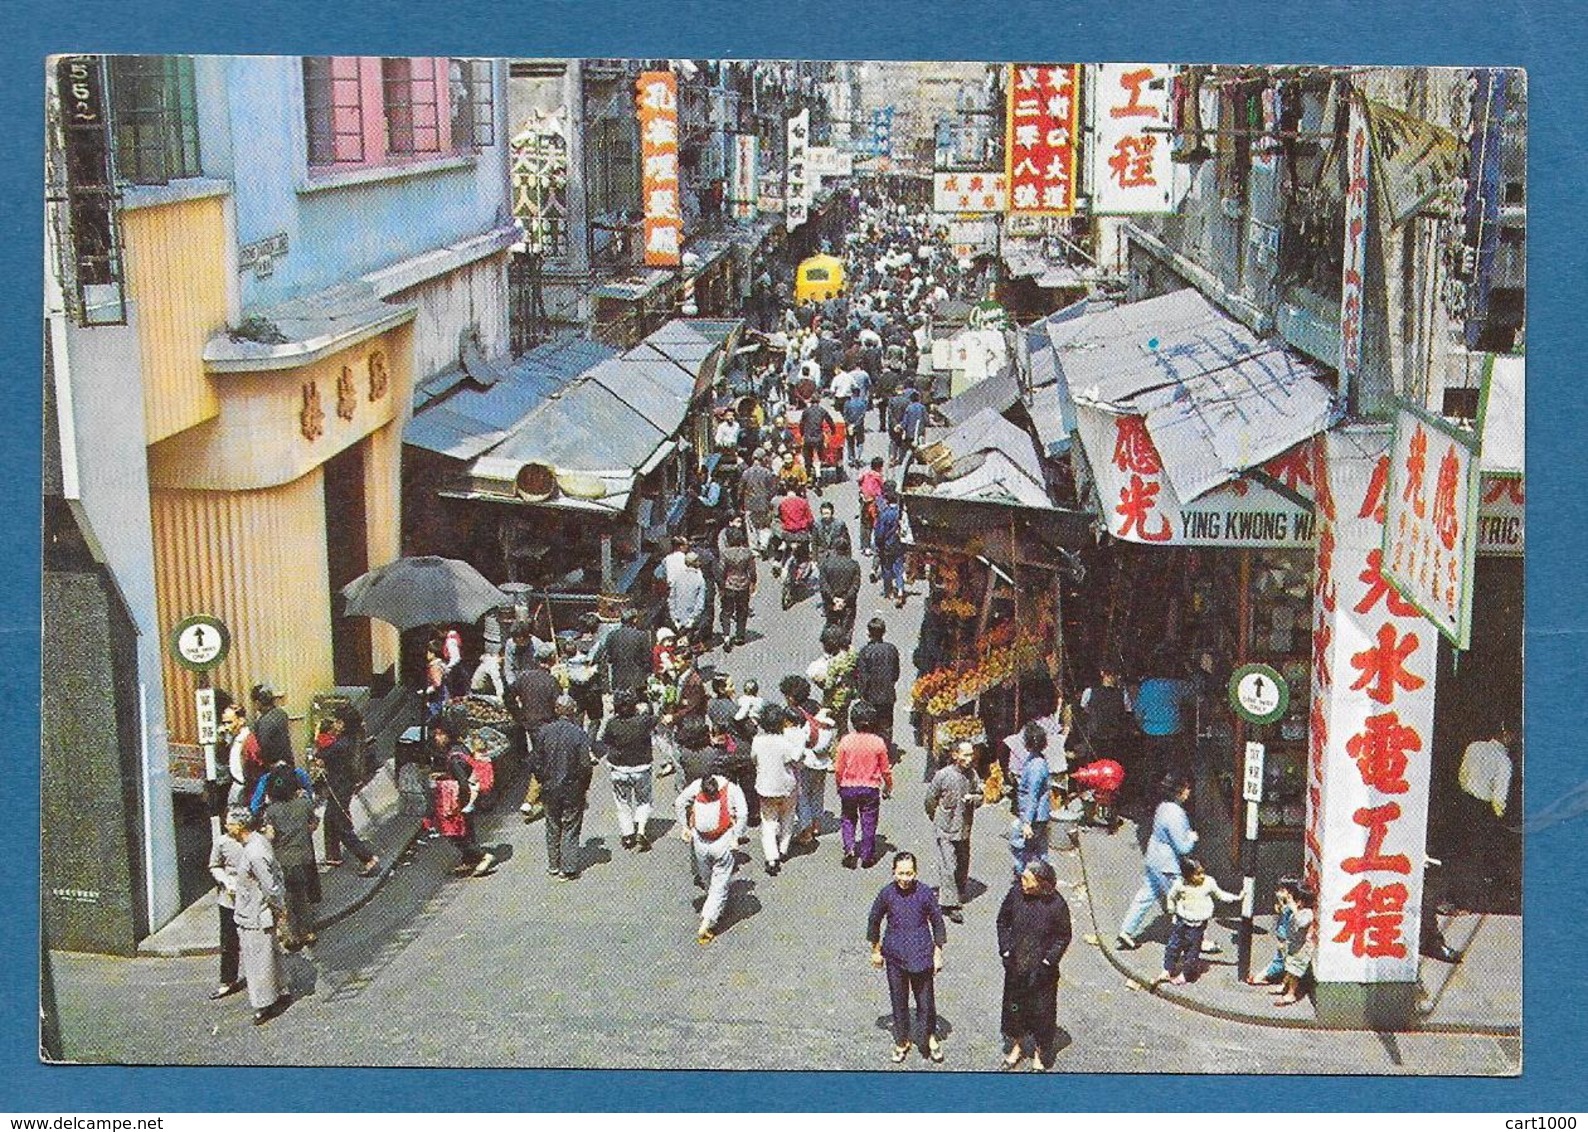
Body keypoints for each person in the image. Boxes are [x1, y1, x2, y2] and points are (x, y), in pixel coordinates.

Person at [866, 852, 947, 1063]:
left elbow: (938, 922)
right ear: (893, 872)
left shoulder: (925, 893)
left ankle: (929, 1037)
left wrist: (938, 953)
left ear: (916, 873)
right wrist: (875, 950)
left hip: (921, 955)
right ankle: (902, 1040)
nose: (904, 878)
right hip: (895, 956)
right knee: (898, 1001)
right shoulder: (886, 894)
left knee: (926, 1001)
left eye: (909, 873)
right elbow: (874, 920)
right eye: (900, 873)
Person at [995, 859, 1072, 1072]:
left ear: (1040, 882)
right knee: (1015, 1009)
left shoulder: (1057, 905)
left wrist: (1048, 961)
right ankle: (1018, 1047)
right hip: (1016, 967)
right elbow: (1003, 921)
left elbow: (1063, 937)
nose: (1022, 881)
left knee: (1042, 1013)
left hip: (1042, 973)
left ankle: (1040, 1052)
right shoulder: (1015, 895)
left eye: (1027, 878)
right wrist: (1006, 950)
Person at [1116, 775, 1197, 950]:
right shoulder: (1176, 813)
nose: (1189, 792)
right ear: (1179, 792)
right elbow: (1183, 847)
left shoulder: (1162, 808)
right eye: (1187, 788)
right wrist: (1192, 837)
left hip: (1153, 857)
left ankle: (1126, 930)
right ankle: (1194, 940)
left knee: (1146, 895)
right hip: (1168, 864)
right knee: (1183, 901)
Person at [676, 771, 750, 945]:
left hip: (700, 841)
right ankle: (709, 919)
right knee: (720, 882)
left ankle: (713, 905)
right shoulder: (732, 789)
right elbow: (743, 814)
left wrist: (685, 826)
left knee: (707, 877)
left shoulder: (697, 785)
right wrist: (736, 836)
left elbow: (680, 803)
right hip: (723, 841)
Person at [232, 807, 290, 1025]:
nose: (227, 827)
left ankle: (263, 1004)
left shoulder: (254, 852)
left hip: (255, 913)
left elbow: (270, 885)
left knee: (257, 961)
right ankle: (282, 990)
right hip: (258, 910)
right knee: (271, 953)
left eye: (230, 823)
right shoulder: (257, 842)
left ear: (240, 826)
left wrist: (279, 907)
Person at [533, 695, 594, 879]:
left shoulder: (544, 732)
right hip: (572, 787)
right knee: (571, 826)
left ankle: (553, 864)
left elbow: (536, 761)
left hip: (549, 787)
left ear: (556, 709)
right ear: (573, 710)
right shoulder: (579, 734)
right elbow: (585, 765)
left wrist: (542, 779)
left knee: (552, 825)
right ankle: (568, 867)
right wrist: (584, 786)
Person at [430, 715, 498, 878]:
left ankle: (483, 856)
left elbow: (463, 783)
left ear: (446, 734)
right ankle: (469, 860)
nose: (436, 739)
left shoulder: (454, 758)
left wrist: (457, 802)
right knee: (467, 831)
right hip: (470, 799)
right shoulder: (461, 748)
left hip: (462, 800)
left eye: (439, 735)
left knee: (455, 834)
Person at [316, 706, 379, 877]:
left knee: (341, 825)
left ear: (344, 724)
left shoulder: (341, 744)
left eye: (338, 722)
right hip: (344, 785)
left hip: (340, 787)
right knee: (330, 817)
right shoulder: (352, 738)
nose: (335, 725)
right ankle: (333, 855)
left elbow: (322, 754)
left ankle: (368, 858)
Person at [1156, 857, 1241, 985]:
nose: (1202, 876)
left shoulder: (1208, 882)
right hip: (1182, 922)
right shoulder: (1180, 885)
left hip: (1197, 926)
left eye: (1203, 872)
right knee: (1173, 946)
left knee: (1192, 951)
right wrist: (1172, 911)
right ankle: (1168, 969)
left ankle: (1185, 975)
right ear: (1188, 876)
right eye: (1198, 874)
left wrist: (1237, 897)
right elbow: (1171, 897)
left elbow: (1220, 894)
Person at [262, 768, 321, 949]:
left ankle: (292, 935)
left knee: (286, 898)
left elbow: (270, 836)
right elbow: (313, 824)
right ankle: (308, 931)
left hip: (282, 861)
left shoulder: (271, 811)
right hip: (303, 858)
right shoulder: (304, 805)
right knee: (301, 895)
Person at [925, 740, 983, 923]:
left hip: (964, 827)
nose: (969, 759)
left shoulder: (973, 775)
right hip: (945, 827)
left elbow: (981, 797)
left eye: (971, 754)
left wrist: (973, 799)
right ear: (955, 755)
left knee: (962, 863)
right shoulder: (943, 775)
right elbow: (930, 799)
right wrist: (936, 817)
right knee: (948, 865)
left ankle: (958, 891)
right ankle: (950, 904)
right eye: (965, 755)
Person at [598, 689, 658, 852]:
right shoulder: (643, 721)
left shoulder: (612, 724)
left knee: (622, 803)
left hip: (618, 768)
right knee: (644, 800)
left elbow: (604, 741)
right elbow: (656, 717)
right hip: (641, 767)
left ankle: (627, 834)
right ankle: (641, 830)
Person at [835, 702, 894, 869]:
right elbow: (885, 770)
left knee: (848, 818)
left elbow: (838, 769)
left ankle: (849, 848)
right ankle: (867, 856)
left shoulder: (845, 741)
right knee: (869, 821)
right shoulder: (878, 742)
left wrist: (839, 785)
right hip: (870, 788)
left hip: (848, 786)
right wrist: (888, 786)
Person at [512, 642, 563, 820]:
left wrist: (518, 715)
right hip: (547, 726)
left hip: (530, 726)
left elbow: (507, 696)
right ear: (550, 660)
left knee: (539, 757)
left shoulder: (523, 678)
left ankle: (536, 796)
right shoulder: (551, 682)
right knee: (546, 761)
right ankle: (532, 799)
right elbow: (559, 706)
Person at [1134, 653, 1197, 793]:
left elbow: (1138, 711)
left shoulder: (1146, 686)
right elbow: (1196, 693)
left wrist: (1140, 726)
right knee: (1174, 767)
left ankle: (1151, 797)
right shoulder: (1176, 685)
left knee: (1152, 767)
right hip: (1172, 730)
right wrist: (1191, 670)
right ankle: (1170, 793)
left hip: (1150, 731)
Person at [752, 704, 802, 875]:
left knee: (768, 823)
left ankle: (771, 858)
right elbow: (795, 758)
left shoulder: (757, 741)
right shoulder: (785, 743)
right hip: (787, 787)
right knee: (787, 817)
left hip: (766, 788)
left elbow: (754, 759)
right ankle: (783, 849)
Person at [205, 808, 249, 1001]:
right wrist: (224, 880)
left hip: (249, 898)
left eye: (230, 823)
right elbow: (214, 865)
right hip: (228, 899)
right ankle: (227, 981)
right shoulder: (222, 842)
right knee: (229, 941)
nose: (226, 826)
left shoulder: (252, 842)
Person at [853, 617, 902, 761]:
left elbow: (862, 676)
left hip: (870, 696)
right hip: (888, 695)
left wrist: (861, 694)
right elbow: (895, 673)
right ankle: (884, 756)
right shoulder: (891, 649)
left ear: (869, 633)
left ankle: (872, 756)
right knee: (886, 726)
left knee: (870, 727)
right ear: (884, 632)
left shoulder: (865, 651)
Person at [1012, 723, 1054, 876]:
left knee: (1023, 849)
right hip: (1037, 815)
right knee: (1039, 849)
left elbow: (1033, 796)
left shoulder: (1036, 766)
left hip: (1034, 817)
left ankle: (1027, 879)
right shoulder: (1037, 760)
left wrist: (1027, 823)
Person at [1247, 877, 1300, 987]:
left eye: (1282, 890)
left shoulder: (1285, 904)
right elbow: (1297, 917)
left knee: (1280, 958)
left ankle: (1261, 977)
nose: (1278, 893)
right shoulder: (1290, 904)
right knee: (1282, 960)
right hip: (1286, 936)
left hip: (1282, 934)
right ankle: (1261, 977)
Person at [1272, 883, 1318, 1008]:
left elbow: (1301, 923)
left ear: (1302, 901)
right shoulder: (1300, 910)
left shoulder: (1307, 913)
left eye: (1296, 899)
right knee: (1289, 966)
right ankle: (1283, 985)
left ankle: (1291, 994)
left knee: (1294, 970)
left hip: (1301, 948)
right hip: (1293, 945)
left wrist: (1294, 909)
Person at [594, 607, 653, 700]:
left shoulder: (612, 635)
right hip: (637, 679)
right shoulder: (642, 636)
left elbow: (607, 655)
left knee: (619, 705)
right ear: (634, 620)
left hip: (617, 677)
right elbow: (647, 658)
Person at [718, 525, 758, 652]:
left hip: (729, 584)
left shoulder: (725, 553)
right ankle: (740, 635)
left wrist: (721, 585)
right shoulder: (747, 553)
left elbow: (721, 570)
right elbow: (752, 570)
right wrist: (753, 582)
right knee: (742, 610)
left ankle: (726, 635)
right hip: (743, 584)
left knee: (726, 612)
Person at [221, 701, 264, 806]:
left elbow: (258, 768)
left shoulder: (249, 741)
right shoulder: (233, 738)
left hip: (247, 790)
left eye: (229, 722)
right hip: (237, 786)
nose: (226, 727)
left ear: (241, 721)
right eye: (224, 723)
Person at [818, 544, 863, 639]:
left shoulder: (826, 564)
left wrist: (833, 598)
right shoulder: (854, 564)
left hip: (830, 602)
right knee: (847, 627)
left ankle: (831, 646)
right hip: (848, 602)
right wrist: (844, 599)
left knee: (831, 624)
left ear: (835, 549)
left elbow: (823, 584)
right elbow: (855, 585)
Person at [739, 451, 778, 558]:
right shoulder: (767, 472)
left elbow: (740, 490)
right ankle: (763, 544)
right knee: (764, 526)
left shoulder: (746, 473)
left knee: (751, 528)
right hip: (764, 504)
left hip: (749, 504)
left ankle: (755, 549)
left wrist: (740, 503)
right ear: (763, 459)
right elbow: (773, 490)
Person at [873, 484, 907, 606]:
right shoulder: (900, 512)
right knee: (898, 568)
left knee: (887, 568)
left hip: (887, 546)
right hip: (899, 544)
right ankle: (900, 590)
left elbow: (880, 534)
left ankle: (889, 591)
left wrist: (877, 544)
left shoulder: (885, 514)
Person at [667, 552, 709, 640]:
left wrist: (674, 617)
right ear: (695, 562)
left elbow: (672, 597)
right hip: (692, 617)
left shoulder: (677, 577)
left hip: (678, 616)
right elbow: (700, 602)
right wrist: (693, 619)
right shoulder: (699, 579)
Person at [251, 683, 293, 769]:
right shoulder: (281, 714)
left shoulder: (264, 721)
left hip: (273, 767)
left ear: (257, 703)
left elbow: (262, 746)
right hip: (287, 762)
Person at [857, 457, 885, 557]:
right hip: (873, 503)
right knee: (875, 524)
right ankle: (876, 546)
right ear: (879, 467)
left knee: (864, 525)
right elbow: (882, 488)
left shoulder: (865, 473)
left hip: (864, 501)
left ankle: (864, 546)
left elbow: (859, 480)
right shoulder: (878, 476)